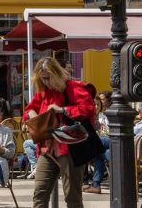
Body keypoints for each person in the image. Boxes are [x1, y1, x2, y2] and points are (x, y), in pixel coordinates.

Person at [23, 57, 94, 208]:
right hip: (47, 149)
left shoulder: (73, 87)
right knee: (39, 194)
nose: (46, 82)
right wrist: (32, 115)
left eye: (48, 78)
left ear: (55, 74)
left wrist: (62, 110)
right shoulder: (44, 92)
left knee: (72, 197)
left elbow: (88, 110)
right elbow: (29, 109)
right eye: (42, 79)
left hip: (71, 148)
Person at [86, 94, 111, 195]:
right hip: (103, 145)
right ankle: (96, 185)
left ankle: (95, 185)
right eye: (94, 104)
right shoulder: (88, 117)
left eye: (98, 104)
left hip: (107, 141)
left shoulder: (105, 116)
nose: (96, 107)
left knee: (96, 146)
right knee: (100, 155)